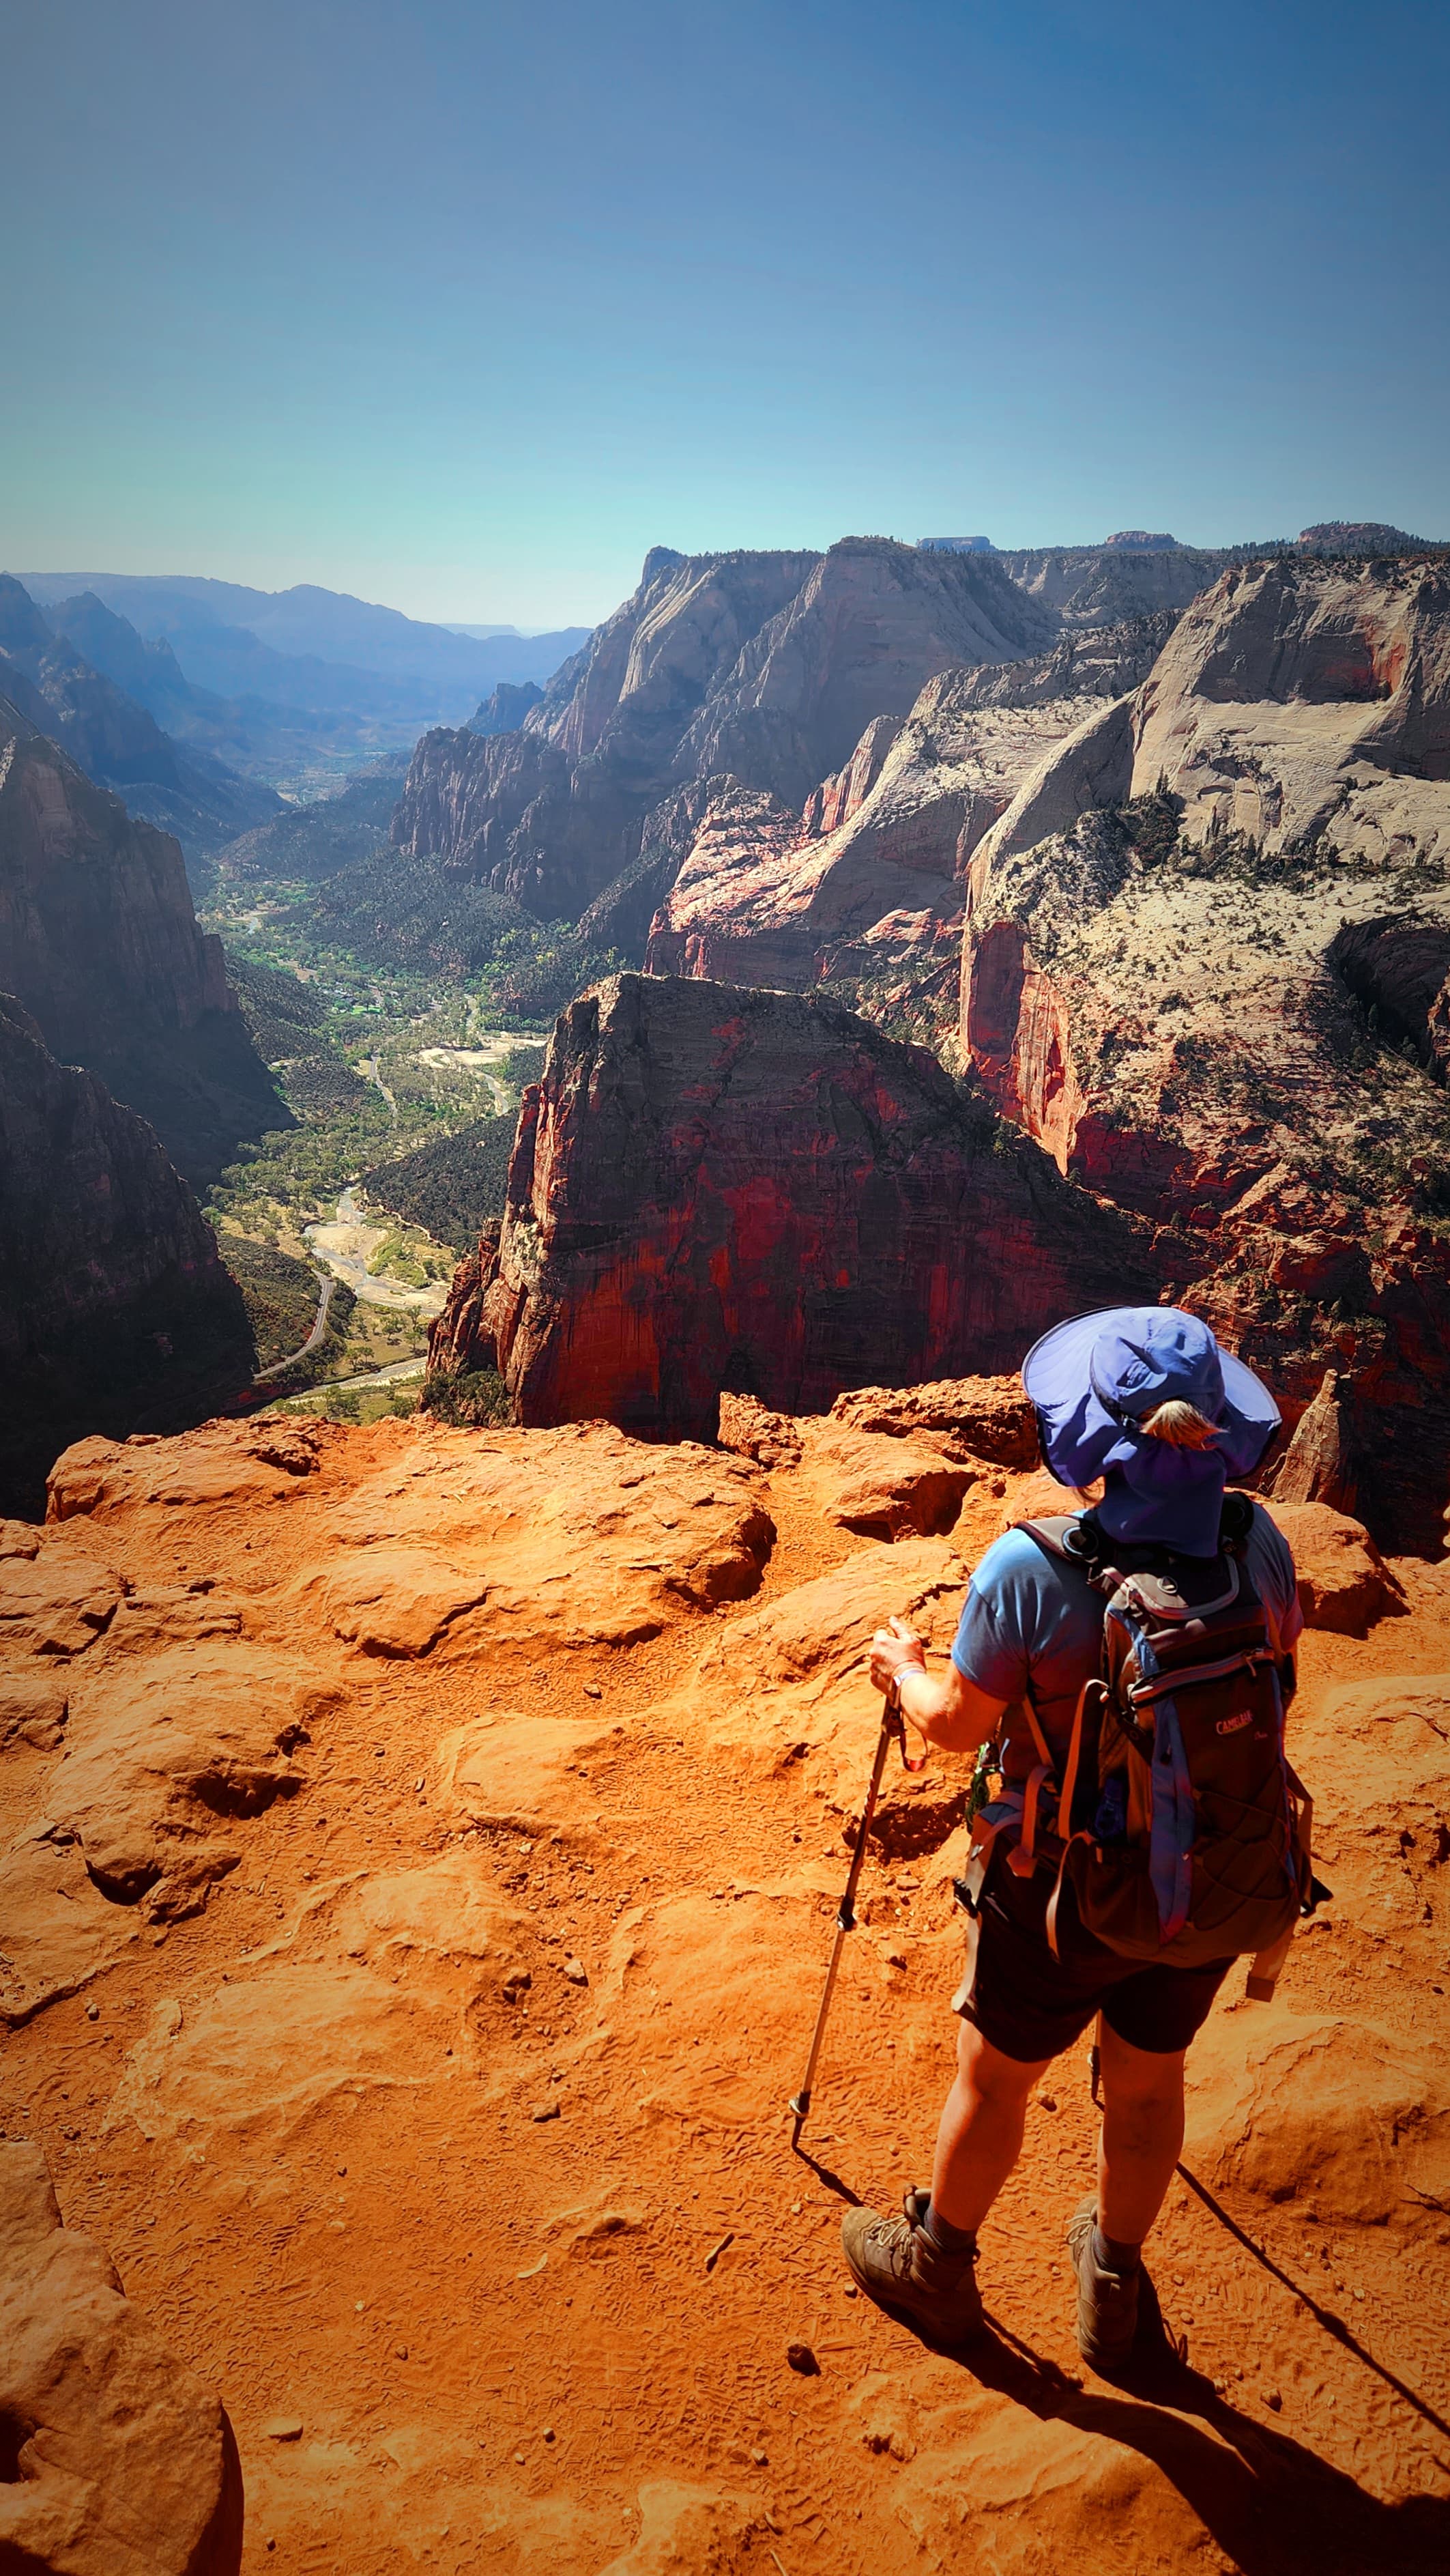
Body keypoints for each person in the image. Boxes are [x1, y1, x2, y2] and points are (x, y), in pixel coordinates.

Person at [840, 1305, 1302, 2375]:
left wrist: (903, 1667)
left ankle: (937, 2265)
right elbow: (1277, 1693)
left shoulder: (1030, 1566)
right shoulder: (1261, 1543)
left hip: (1056, 1893)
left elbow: (957, 1724)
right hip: (1207, 1882)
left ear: (1095, 1433)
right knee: (1145, 2084)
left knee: (996, 2078)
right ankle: (1113, 2293)